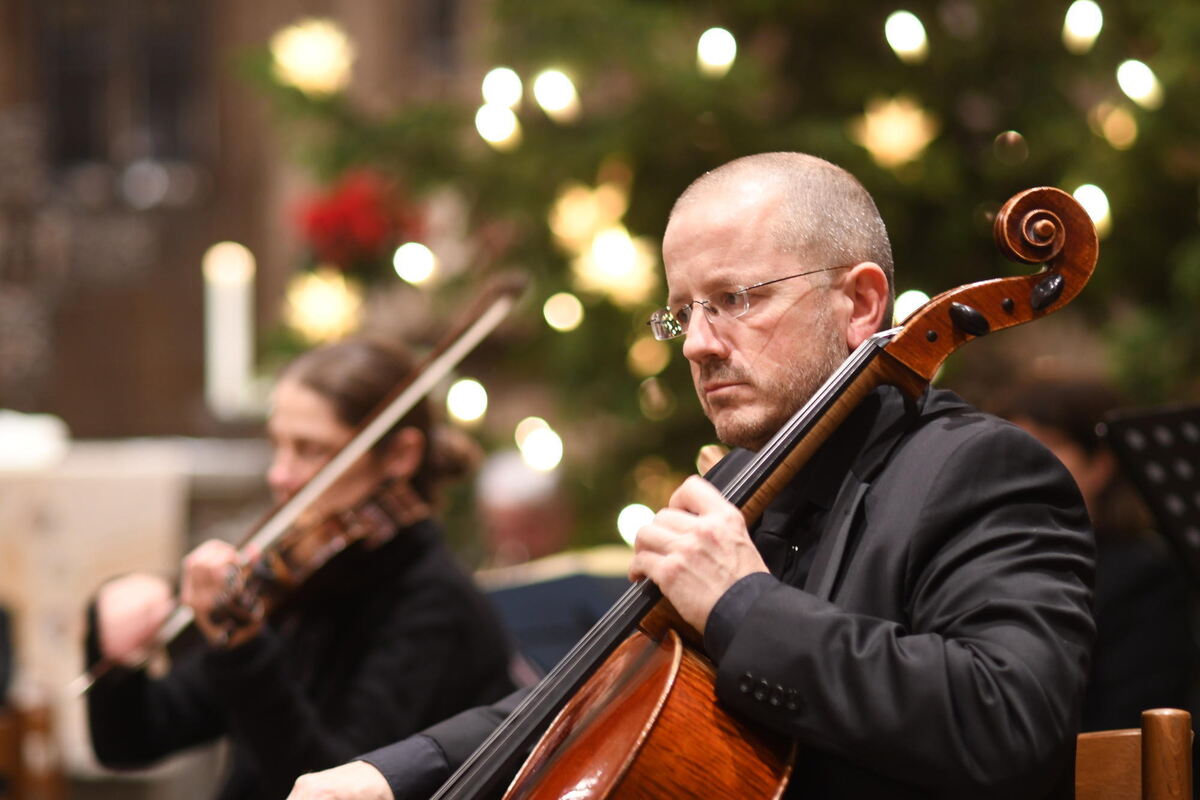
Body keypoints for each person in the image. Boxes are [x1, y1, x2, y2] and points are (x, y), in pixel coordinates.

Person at [287, 153, 1094, 799]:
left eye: (735, 299)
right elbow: (595, 689)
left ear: (860, 303)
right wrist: (395, 775)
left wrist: (743, 604)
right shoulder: (743, 483)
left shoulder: (979, 472)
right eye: (683, 310)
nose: (697, 344)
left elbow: (1010, 722)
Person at [85, 338, 516, 800]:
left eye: (311, 450)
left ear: (400, 456)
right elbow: (131, 742)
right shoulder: (302, 579)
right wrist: (113, 648)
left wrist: (243, 647)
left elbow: (327, 784)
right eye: (278, 445)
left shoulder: (435, 605)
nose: (279, 474)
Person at [996, 375, 1198, 731]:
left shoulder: (1143, 575)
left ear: (1101, 464)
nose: (1017, 470)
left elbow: (1129, 727)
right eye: (1009, 452)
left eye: (1046, 447)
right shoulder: (991, 559)